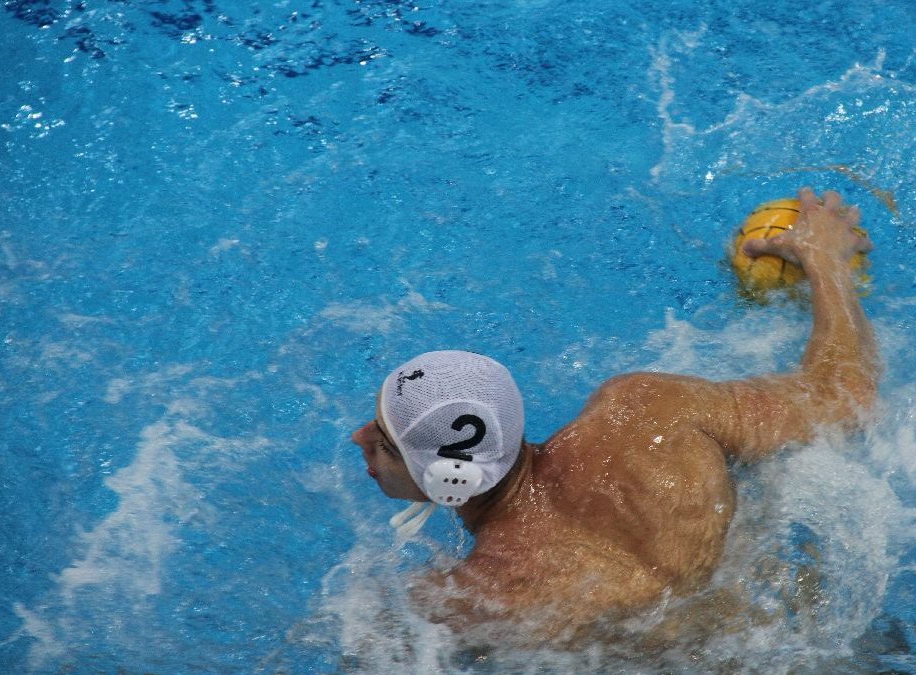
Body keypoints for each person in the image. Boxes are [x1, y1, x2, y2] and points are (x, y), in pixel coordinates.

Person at [351, 188, 879, 646]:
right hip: (811, 620)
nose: (359, 439)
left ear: (451, 478)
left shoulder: (476, 598)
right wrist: (825, 261)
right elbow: (845, 396)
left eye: (386, 444)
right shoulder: (649, 410)